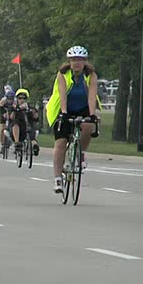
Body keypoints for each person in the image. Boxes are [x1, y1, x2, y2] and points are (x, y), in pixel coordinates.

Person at [46, 46, 100, 193]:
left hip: (82, 106)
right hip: (63, 108)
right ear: (69, 61)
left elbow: (92, 96)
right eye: (74, 59)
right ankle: (58, 178)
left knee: (88, 126)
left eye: (80, 60)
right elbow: (62, 95)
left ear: (85, 62)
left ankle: (80, 153)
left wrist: (92, 114)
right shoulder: (62, 74)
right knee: (61, 142)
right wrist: (63, 113)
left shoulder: (91, 75)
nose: (77, 63)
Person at [9, 88, 40, 156]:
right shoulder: (14, 107)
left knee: (32, 135)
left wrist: (32, 111)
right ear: (17, 99)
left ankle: (35, 147)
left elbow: (36, 118)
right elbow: (11, 118)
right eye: (20, 98)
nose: (22, 100)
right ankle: (17, 143)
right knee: (15, 124)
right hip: (17, 130)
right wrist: (17, 109)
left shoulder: (30, 107)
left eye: (24, 98)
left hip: (28, 127)